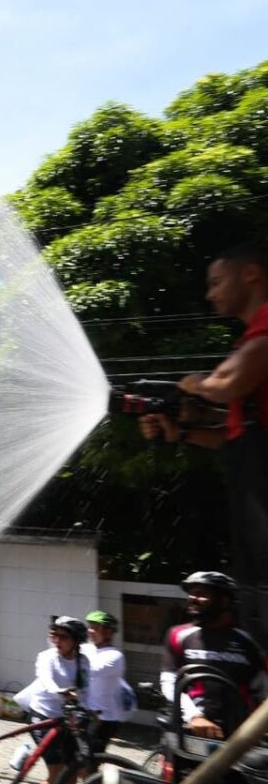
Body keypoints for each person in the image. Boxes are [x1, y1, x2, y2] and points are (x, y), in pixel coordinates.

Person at [138, 241, 268, 644]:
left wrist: (192, 384)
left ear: (249, 273)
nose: (209, 293)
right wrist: (183, 433)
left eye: (216, 282)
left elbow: (228, 384)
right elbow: (237, 439)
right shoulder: (247, 341)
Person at [161, 571, 268, 740]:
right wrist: (194, 716)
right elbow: (169, 679)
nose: (192, 599)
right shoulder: (178, 634)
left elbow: (263, 685)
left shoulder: (249, 641)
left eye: (201, 594)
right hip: (189, 728)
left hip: (238, 735)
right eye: (191, 593)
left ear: (224, 600)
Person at [13, 616, 90, 784]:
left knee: (73, 774)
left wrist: (92, 707)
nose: (56, 640)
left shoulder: (82, 661)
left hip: (67, 719)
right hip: (43, 716)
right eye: (54, 635)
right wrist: (63, 691)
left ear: (76, 641)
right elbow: (46, 680)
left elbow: (86, 687)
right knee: (56, 772)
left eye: (63, 637)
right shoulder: (46, 657)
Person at [82, 609, 134, 754]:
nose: (91, 631)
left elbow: (91, 670)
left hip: (103, 719)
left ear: (109, 633)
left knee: (89, 763)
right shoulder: (86, 648)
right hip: (85, 713)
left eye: (96, 628)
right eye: (90, 626)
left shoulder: (115, 656)